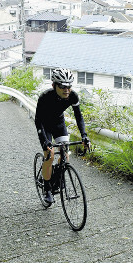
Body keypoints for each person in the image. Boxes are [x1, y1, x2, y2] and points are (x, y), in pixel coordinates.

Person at [35, 68, 90, 204]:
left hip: (59, 124)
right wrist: (45, 141)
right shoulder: (45, 97)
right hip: (44, 125)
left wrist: (84, 136)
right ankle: (47, 188)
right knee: (51, 154)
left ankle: (58, 177)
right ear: (54, 86)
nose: (67, 90)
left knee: (65, 156)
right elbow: (38, 121)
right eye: (62, 86)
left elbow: (79, 117)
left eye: (69, 86)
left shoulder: (73, 96)